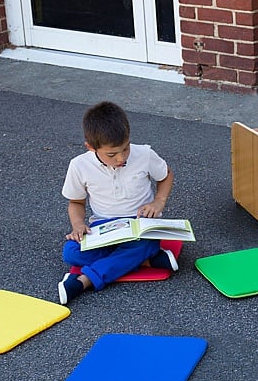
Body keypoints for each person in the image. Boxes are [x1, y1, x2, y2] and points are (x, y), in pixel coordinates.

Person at [58, 101, 178, 304]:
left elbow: (165, 175)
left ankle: (84, 281)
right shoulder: (79, 165)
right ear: (91, 147)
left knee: (146, 242)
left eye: (126, 148)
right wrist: (78, 225)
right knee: (70, 253)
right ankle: (147, 260)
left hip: (141, 224)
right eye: (112, 154)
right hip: (103, 227)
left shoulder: (145, 154)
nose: (121, 158)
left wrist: (159, 202)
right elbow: (76, 202)